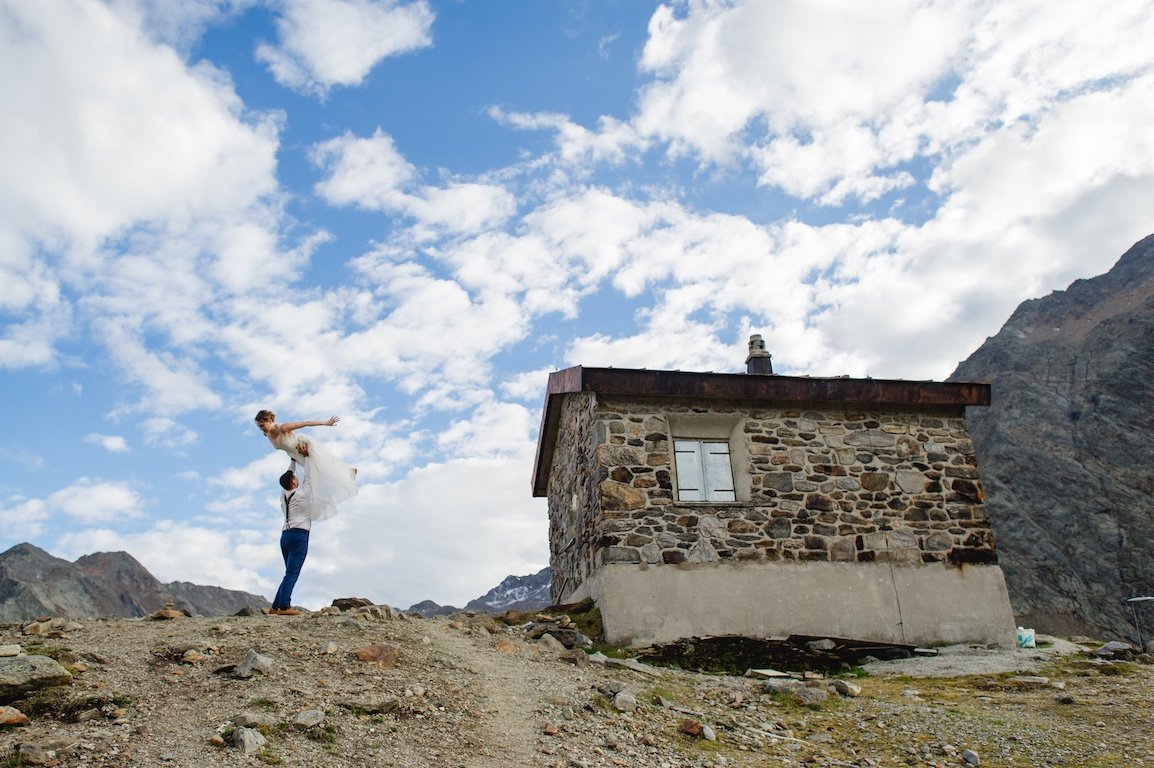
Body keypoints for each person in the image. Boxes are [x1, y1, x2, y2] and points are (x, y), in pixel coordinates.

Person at [254, 410, 357, 521]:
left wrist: (326, 423)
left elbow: (305, 423)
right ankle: (346, 473)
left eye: (262, 425)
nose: (261, 429)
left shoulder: (283, 428)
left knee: (323, 468)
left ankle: (349, 472)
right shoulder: (267, 434)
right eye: (259, 427)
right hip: (296, 455)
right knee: (317, 476)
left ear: (269, 420)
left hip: (303, 447)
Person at [270, 458, 312, 615]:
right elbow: (309, 476)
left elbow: (290, 474)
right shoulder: (301, 494)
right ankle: (284, 607)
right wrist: (308, 458)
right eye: (295, 478)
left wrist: (293, 460)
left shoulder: (283, 495)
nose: (297, 478)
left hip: (285, 536)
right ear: (294, 483)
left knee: (289, 572)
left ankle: (275, 607)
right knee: (292, 573)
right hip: (299, 536)